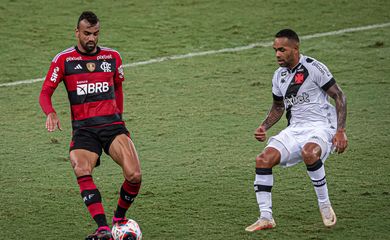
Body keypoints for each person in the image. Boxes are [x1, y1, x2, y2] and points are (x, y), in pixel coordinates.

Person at [39, 11, 142, 240]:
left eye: (95, 34)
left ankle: (118, 220)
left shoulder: (112, 57)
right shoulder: (64, 60)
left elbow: (118, 88)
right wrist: (51, 112)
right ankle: (103, 228)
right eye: (87, 34)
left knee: (134, 175)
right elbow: (45, 92)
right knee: (80, 168)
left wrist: (121, 120)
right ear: (77, 32)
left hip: (112, 126)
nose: (91, 39)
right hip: (84, 130)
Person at [245, 29, 348, 232]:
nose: (277, 54)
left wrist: (340, 130)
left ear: (295, 48)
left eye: (282, 50)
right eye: (275, 50)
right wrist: (264, 126)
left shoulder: (313, 67)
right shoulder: (279, 76)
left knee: (309, 152)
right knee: (263, 159)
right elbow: (278, 107)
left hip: (321, 127)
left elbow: (339, 96)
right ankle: (266, 217)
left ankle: (324, 203)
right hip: (294, 130)